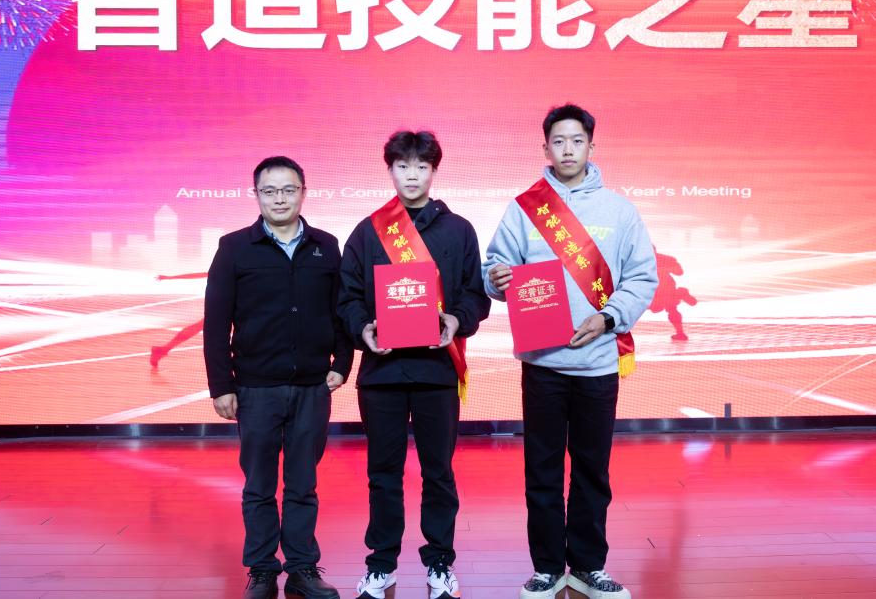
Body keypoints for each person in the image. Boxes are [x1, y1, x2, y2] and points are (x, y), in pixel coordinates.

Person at [484, 105, 658, 599]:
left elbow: (642, 277)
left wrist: (608, 317)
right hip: (542, 364)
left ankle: (587, 565)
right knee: (541, 469)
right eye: (558, 141)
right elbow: (495, 268)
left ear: (591, 147)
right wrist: (496, 278)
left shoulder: (620, 211)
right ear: (545, 148)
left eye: (576, 141)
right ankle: (546, 567)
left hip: (597, 363)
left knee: (591, 470)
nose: (567, 150)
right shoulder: (524, 208)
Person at [338, 131, 491, 599]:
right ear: (389, 170)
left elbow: (475, 295)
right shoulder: (368, 231)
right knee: (382, 474)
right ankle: (381, 564)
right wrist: (363, 329)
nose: (412, 175)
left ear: (434, 171)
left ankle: (439, 562)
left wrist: (456, 320)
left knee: (438, 472)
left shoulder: (459, 230)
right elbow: (347, 298)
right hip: (381, 375)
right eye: (402, 166)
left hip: (437, 372)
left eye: (421, 166)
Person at [204, 156, 352, 599]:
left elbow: (341, 311)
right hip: (255, 387)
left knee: (303, 483)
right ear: (256, 195)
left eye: (289, 190)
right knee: (259, 485)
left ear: (304, 192)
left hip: (312, 386)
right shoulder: (234, 247)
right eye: (269, 191)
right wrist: (221, 386)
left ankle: (303, 569)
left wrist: (342, 363)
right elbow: (216, 322)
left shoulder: (326, 246)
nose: (280, 199)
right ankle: (263, 570)